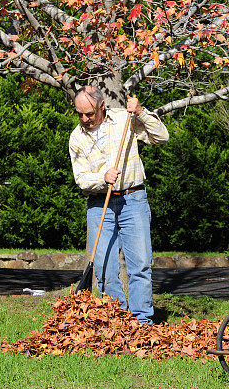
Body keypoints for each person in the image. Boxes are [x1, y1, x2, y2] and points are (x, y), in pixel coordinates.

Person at [69, 86, 169, 323]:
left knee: (140, 265)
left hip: (133, 199)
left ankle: (142, 320)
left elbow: (161, 137)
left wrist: (142, 112)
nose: (84, 119)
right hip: (98, 204)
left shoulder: (125, 119)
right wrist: (101, 178)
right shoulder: (77, 137)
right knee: (104, 268)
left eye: (89, 114)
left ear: (102, 106)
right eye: (79, 114)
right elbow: (81, 179)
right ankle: (116, 320)